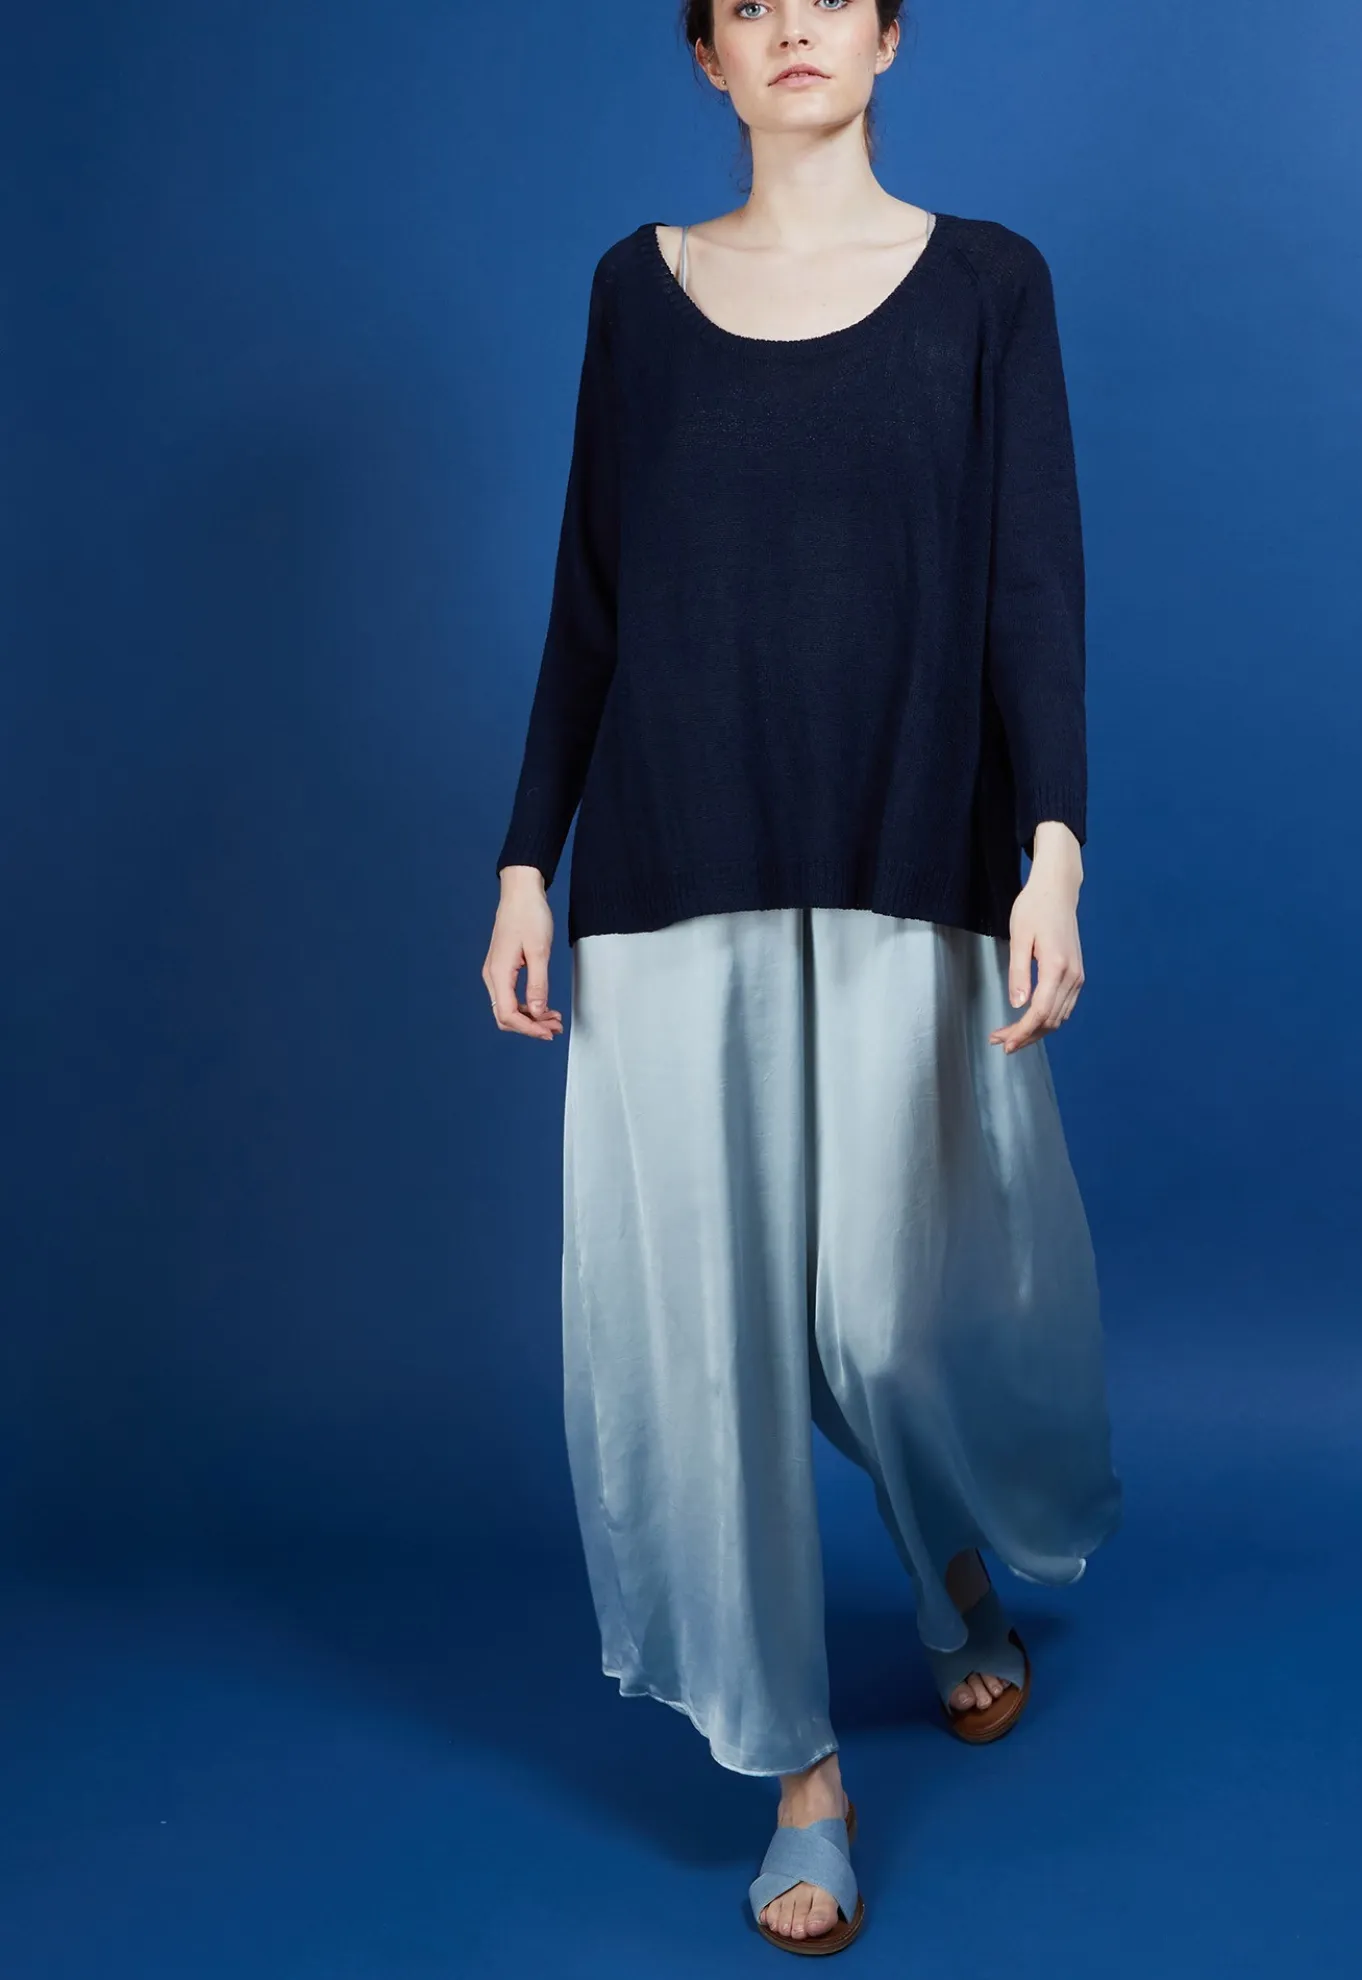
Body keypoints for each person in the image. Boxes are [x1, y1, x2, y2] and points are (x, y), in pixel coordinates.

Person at [480, 0, 1123, 1953]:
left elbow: (1033, 582)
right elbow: (592, 594)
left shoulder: (988, 287)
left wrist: (1055, 848)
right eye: (746, 6)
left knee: (878, 1316)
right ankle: (800, 1771)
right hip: (672, 871)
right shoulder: (638, 292)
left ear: (889, 35)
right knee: (720, 1353)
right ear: (706, 57)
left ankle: (946, 1564)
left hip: (907, 852)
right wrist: (524, 860)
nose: (789, 29)